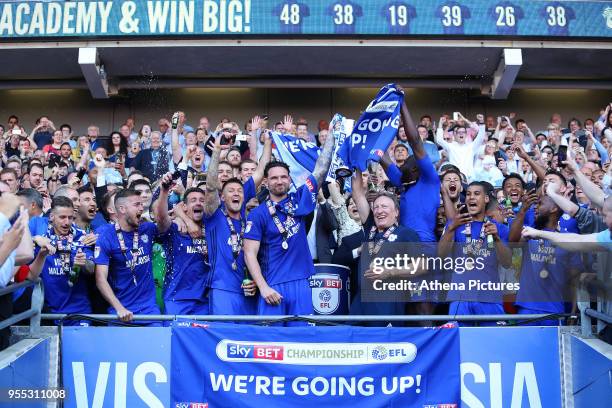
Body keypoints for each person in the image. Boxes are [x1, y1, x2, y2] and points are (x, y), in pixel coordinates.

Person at [243, 128, 335, 324]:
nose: (279, 181)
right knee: (270, 344)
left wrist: (332, 137)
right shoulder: (258, 214)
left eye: (284, 177)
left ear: (289, 179)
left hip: (301, 282)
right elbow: (249, 254)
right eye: (274, 178)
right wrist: (263, 287)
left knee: (301, 342)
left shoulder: (300, 200)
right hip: (273, 284)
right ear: (265, 182)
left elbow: (320, 169)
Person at [438, 181, 512, 324]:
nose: (471, 197)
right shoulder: (455, 224)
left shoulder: (498, 227)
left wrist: (496, 238)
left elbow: (507, 263)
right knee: (460, 342)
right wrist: (451, 228)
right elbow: (440, 255)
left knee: (494, 343)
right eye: (468, 194)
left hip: (490, 296)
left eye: (476, 194)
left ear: (486, 199)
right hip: (460, 297)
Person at [95, 189, 161, 324]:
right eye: (137, 204)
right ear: (122, 209)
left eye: (142, 204)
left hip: (149, 311)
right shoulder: (106, 237)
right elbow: (100, 279)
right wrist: (119, 308)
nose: (141, 208)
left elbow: (167, 224)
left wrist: (181, 218)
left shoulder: (148, 229)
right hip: (119, 312)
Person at [28, 197, 95, 325]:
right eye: (62, 217)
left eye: (70, 217)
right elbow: (26, 272)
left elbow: (92, 269)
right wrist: (33, 238)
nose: (67, 222)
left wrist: (83, 263)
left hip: (79, 312)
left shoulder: (82, 238)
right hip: (49, 313)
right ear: (52, 216)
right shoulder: (42, 241)